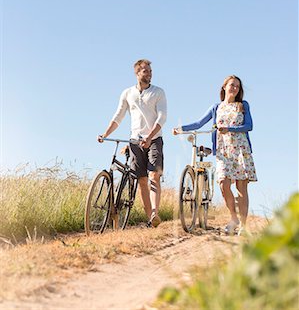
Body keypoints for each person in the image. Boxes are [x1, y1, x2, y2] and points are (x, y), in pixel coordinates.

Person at [173, 75, 257, 235]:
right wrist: (180, 128)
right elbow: (199, 123)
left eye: (237, 87)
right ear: (224, 87)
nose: (234, 88)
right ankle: (234, 218)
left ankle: (244, 227)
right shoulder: (216, 107)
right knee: (223, 184)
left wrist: (229, 129)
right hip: (223, 151)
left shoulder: (243, 105)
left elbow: (249, 126)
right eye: (232, 85)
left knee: (241, 187)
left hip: (240, 150)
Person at [98, 59, 167, 228]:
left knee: (153, 176)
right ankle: (150, 219)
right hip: (135, 140)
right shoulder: (128, 93)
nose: (149, 74)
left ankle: (154, 213)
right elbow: (118, 116)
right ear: (137, 73)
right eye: (145, 71)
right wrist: (105, 134)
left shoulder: (158, 92)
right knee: (142, 180)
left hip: (154, 139)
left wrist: (150, 137)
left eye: (150, 71)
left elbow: (162, 117)